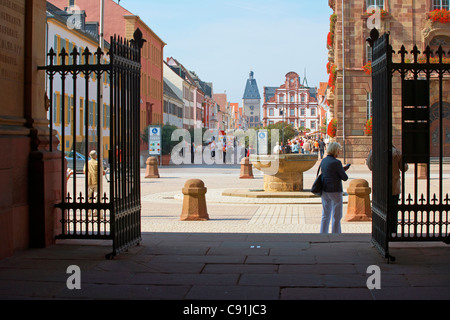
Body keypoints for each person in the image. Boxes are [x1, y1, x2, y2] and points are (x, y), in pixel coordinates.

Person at [366, 145, 408, 233]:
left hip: (380, 187)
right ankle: (392, 232)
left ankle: (380, 232)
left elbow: (370, 166)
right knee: (393, 212)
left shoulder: (374, 151)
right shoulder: (396, 152)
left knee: (379, 211)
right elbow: (404, 168)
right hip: (394, 187)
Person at [319, 142, 350, 233]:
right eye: (339, 150)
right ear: (335, 150)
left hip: (324, 189)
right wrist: (343, 170)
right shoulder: (337, 162)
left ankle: (323, 233)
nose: (339, 152)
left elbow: (328, 172)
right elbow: (345, 178)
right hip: (335, 190)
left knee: (325, 214)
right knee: (336, 215)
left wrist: (341, 169)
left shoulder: (324, 160)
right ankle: (335, 234)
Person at [83, 150, 104, 219]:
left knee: (89, 197)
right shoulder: (98, 163)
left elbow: (84, 171)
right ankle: (95, 212)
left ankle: (88, 212)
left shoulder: (87, 163)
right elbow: (103, 172)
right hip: (96, 182)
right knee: (96, 197)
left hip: (89, 181)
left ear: (89, 156)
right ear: (96, 156)